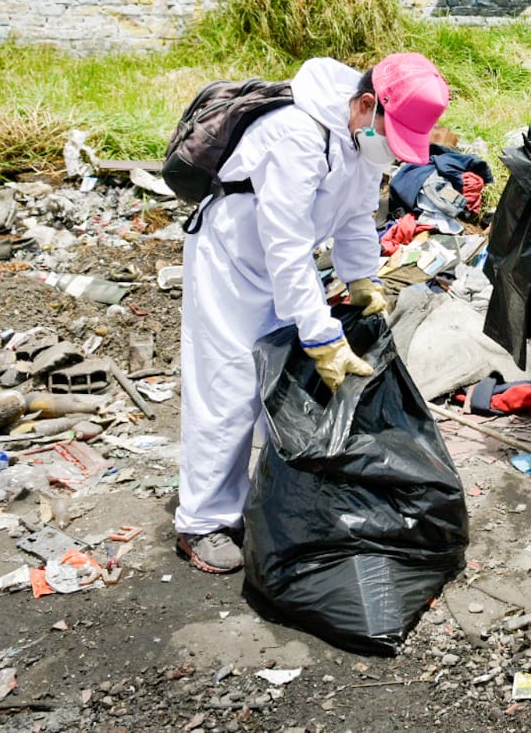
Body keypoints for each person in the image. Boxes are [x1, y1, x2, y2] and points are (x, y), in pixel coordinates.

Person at [175, 53, 450, 573]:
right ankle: (203, 521)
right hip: (232, 263)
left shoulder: (361, 135)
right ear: (367, 104)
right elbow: (286, 246)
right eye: (390, 138)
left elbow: (354, 216)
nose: (389, 153)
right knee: (228, 388)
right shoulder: (297, 134)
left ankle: (255, 495)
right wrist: (321, 334)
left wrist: (363, 277)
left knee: (275, 386)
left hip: (279, 266)